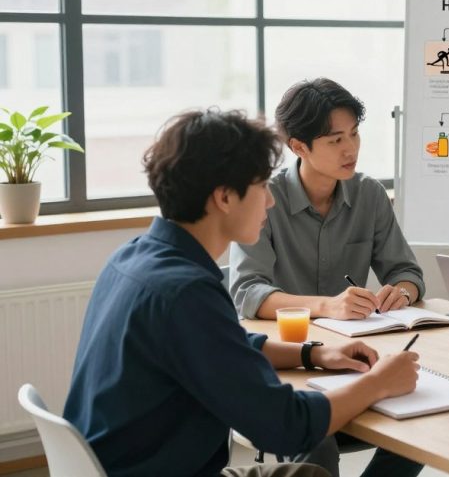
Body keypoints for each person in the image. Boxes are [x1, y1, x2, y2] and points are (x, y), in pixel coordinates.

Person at [63, 110, 420, 477]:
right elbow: (287, 427)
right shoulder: (184, 293)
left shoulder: (135, 257)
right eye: (262, 186)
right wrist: (378, 383)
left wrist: (315, 353)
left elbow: (224, 343)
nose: (270, 201)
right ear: (224, 197)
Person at [231, 77, 424, 322]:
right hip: (285, 343)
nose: (351, 149)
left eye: (354, 134)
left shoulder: (369, 194)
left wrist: (402, 292)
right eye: (336, 140)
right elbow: (247, 292)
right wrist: (327, 306)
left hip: (353, 343)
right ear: (299, 148)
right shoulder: (263, 199)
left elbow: (405, 271)